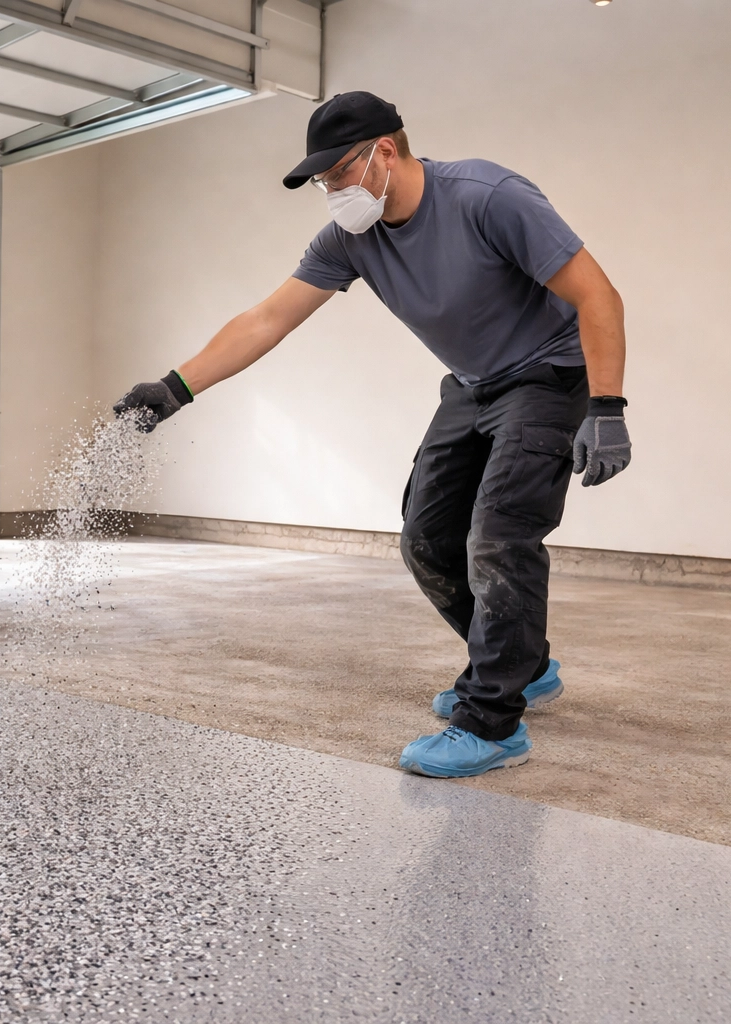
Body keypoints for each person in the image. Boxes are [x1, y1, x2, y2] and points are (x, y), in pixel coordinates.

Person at [115, 91, 631, 779]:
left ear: (385, 150)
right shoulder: (349, 238)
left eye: (339, 173)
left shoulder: (487, 197)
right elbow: (268, 318)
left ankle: (492, 721)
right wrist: (174, 388)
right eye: (323, 181)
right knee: (426, 539)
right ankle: (524, 665)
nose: (333, 191)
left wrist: (607, 406)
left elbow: (598, 295)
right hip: (471, 384)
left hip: (548, 376)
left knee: (499, 536)